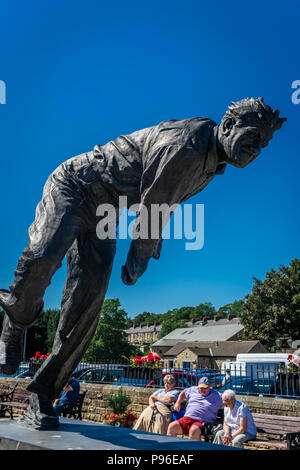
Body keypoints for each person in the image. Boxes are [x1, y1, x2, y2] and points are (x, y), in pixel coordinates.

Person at [0, 98, 286, 427]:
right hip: (74, 188)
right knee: (43, 256)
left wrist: (147, 247)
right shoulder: (189, 145)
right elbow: (154, 207)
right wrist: (139, 257)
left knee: (87, 302)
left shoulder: (210, 163)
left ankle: (43, 394)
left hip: (105, 214)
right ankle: (15, 320)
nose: (255, 149)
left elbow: (164, 199)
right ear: (229, 126)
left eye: (262, 145)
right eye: (251, 137)